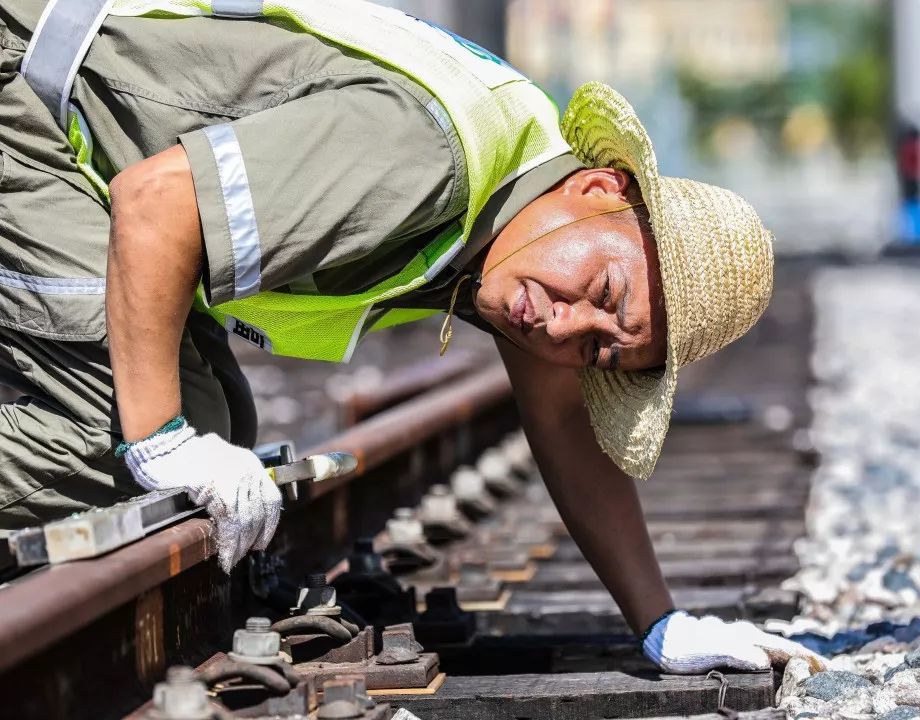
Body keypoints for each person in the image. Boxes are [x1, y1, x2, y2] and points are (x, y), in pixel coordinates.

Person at [0, 0, 824, 675]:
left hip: (73, 143)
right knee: (116, 443)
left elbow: (566, 422)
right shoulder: (437, 158)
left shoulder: (523, 217)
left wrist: (660, 623)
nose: (567, 326)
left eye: (602, 350)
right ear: (601, 187)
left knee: (209, 429)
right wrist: (160, 440)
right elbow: (158, 207)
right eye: (603, 290)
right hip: (28, 87)